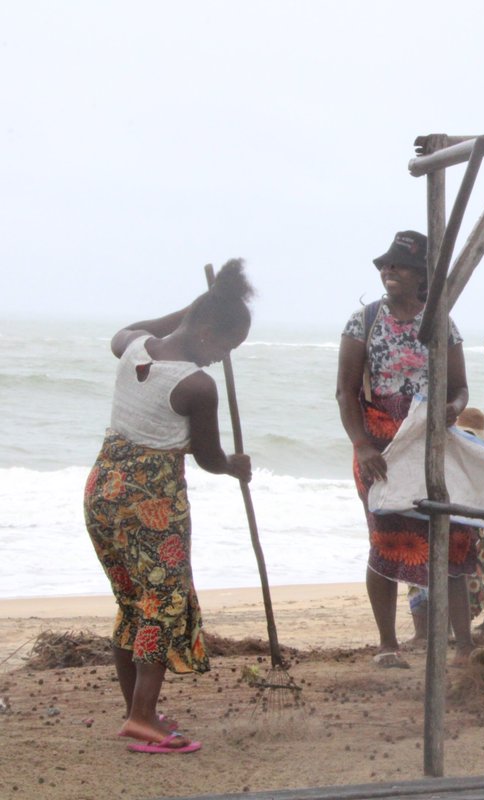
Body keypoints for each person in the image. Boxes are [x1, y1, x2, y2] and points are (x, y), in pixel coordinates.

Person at [85, 259, 255, 754]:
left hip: (102, 491)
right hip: (151, 503)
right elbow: (206, 458)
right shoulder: (196, 386)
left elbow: (134, 328)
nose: (222, 359)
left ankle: (139, 712)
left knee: (132, 601)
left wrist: (184, 314)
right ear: (205, 331)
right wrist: (234, 467)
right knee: (162, 603)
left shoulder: (131, 347)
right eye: (225, 347)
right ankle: (141, 716)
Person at [336, 230, 484, 667]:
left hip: (431, 443)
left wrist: (451, 411)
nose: (388, 272)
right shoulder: (362, 321)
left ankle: (463, 645)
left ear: (422, 275)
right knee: (386, 540)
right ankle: (388, 644)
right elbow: (346, 393)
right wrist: (362, 445)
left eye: (398, 265)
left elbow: (459, 389)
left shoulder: (441, 322)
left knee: (451, 537)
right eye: (385, 265)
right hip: (380, 446)